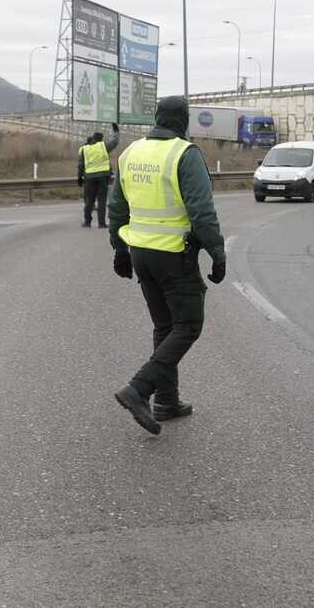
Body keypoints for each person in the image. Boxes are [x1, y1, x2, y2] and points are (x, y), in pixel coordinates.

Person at [108, 96, 226, 435]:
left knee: (164, 326)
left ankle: (166, 401)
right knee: (188, 325)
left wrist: (119, 249)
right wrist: (217, 254)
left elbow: (117, 208)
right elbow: (202, 211)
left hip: (141, 253)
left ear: (157, 118)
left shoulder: (131, 153)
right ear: (184, 121)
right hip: (173, 254)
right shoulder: (184, 154)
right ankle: (139, 389)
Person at [77, 123, 119, 228]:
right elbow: (114, 142)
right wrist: (115, 131)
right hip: (102, 177)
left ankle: (87, 222)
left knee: (89, 201)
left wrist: (79, 177)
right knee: (102, 201)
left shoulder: (85, 149)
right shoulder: (103, 146)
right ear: (101, 139)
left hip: (89, 178)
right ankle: (101, 223)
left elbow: (80, 165)